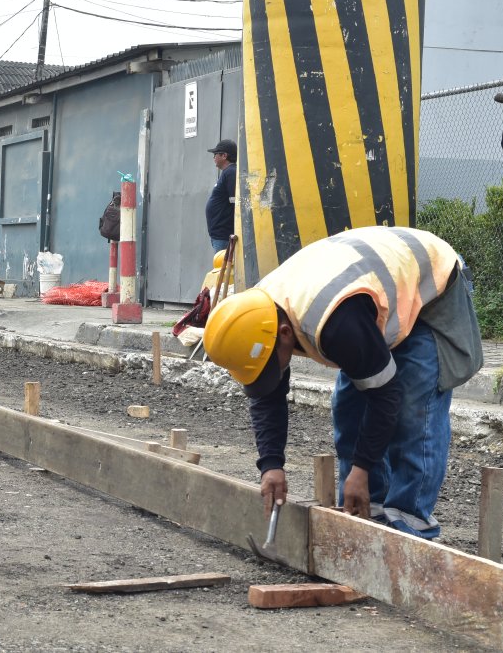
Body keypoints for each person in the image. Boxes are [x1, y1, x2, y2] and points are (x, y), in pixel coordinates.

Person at [202, 226, 483, 539]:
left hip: (431, 281)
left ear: (284, 333)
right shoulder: (261, 317)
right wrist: (271, 464)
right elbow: (268, 396)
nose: (272, 373)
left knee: (412, 406)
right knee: (349, 406)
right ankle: (368, 510)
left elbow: (386, 395)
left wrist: (361, 469)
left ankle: (409, 525)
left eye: (269, 365)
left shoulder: (334, 324)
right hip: (369, 292)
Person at [205, 139, 237, 253]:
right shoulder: (227, 172)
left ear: (224, 156)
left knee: (222, 270)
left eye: (215, 154)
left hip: (224, 236)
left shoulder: (231, 172)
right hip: (220, 235)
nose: (214, 158)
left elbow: (235, 202)